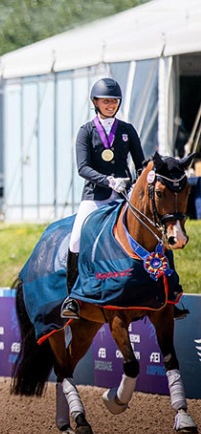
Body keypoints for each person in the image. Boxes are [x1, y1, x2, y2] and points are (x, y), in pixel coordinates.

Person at [61, 77, 145, 319]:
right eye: (105, 101)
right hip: (95, 196)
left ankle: (169, 291)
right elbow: (83, 168)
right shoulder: (86, 132)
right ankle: (73, 298)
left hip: (124, 196)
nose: (110, 105)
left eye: (114, 101)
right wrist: (108, 180)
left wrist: (140, 183)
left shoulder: (127, 130)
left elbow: (140, 164)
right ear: (95, 102)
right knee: (76, 240)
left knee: (153, 233)